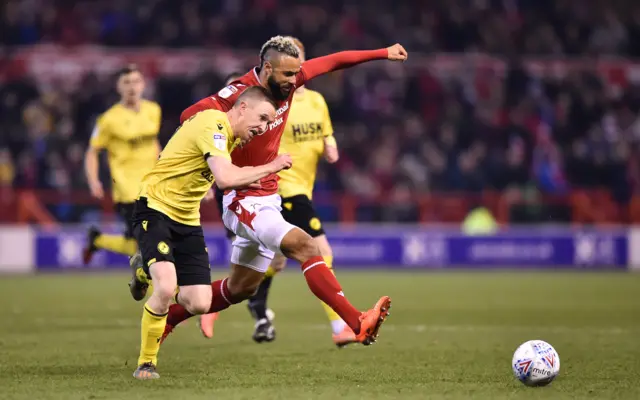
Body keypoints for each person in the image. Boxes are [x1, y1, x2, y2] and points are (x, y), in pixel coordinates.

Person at [130, 36, 406, 352]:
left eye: (297, 74)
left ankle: (169, 320)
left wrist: (383, 53)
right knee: (306, 245)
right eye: (287, 75)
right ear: (267, 68)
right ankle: (357, 323)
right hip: (243, 198)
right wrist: (219, 133)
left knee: (241, 288)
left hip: (270, 196)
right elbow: (188, 117)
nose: (294, 82)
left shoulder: (293, 79)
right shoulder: (238, 94)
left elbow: (335, 60)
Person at [130, 86, 291, 380]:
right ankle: (146, 363)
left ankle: (144, 271)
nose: (264, 127)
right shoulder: (214, 123)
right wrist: (273, 166)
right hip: (155, 209)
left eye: (270, 123)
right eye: (263, 118)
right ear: (242, 108)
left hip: (187, 219)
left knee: (200, 302)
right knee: (166, 289)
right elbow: (226, 178)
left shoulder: (228, 139)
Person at [199, 38, 350, 346]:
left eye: (299, 67)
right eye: (288, 71)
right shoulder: (274, 99)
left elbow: (326, 133)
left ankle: (227, 300)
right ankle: (342, 326)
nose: (294, 76)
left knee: (274, 265)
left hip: (301, 188)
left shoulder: (317, 102)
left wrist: (331, 145)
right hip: (281, 185)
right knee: (319, 250)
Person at [82, 65, 161, 268]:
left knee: (140, 244)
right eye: (126, 82)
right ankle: (160, 292)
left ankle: (97, 240)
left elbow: (154, 143)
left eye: (135, 81)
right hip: (127, 191)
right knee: (149, 244)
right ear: (118, 87)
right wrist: (93, 180)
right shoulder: (108, 119)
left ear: (143, 84)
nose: (131, 87)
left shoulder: (154, 111)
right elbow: (92, 151)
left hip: (154, 186)